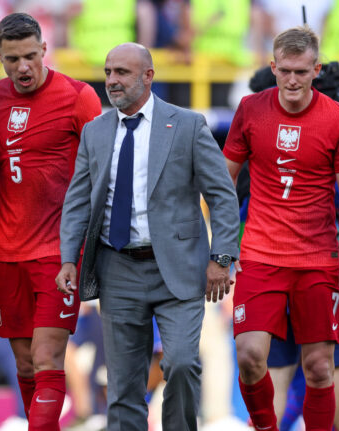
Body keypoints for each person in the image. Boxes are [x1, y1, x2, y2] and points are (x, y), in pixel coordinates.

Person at [56, 42, 240, 430]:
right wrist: (69, 258)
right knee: (123, 383)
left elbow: (222, 196)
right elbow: (76, 202)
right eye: (108, 72)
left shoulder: (187, 125)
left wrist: (221, 259)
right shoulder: (95, 132)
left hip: (179, 268)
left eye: (122, 72)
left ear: (148, 75)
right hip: (117, 267)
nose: (112, 81)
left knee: (183, 363)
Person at [223, 26, 339, 431]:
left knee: (320, 367)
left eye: (301, 72)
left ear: (316, 70)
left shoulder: (337, 117)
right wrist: (220, 249)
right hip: (261, 255)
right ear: (273, 66)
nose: (291, 80)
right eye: (284, 70)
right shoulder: (251, 109)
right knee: (250, 356)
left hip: (317, 259)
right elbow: (223, 180)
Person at [0, 12, 101, 429]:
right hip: (7, 252)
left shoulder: (78, 97)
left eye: (31, 56)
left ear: (45, 49)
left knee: (48, 355)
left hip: (58, 253)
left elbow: (104, 175)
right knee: (26, 363)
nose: (23, 67)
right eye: (12, 59)